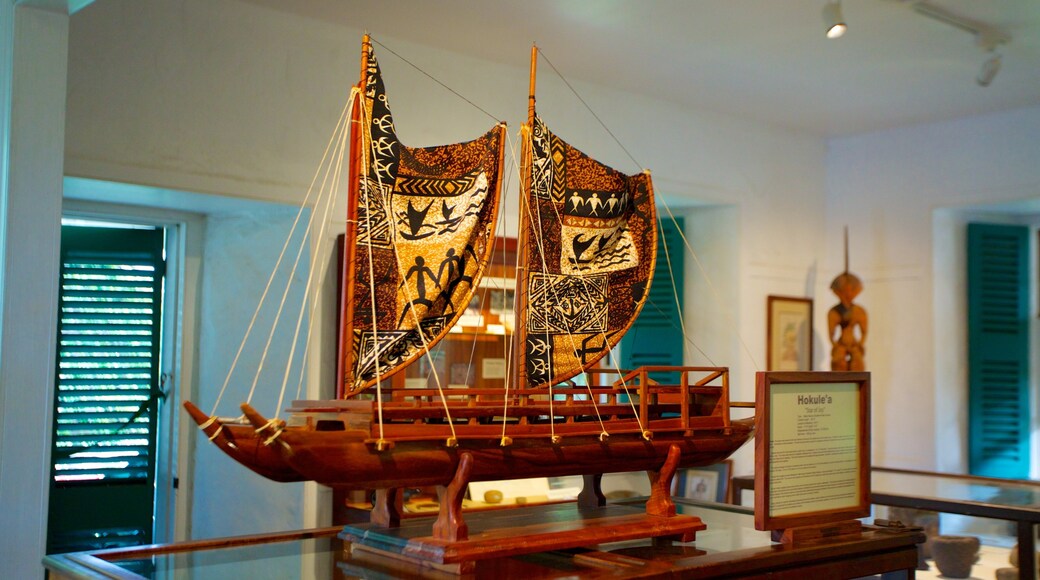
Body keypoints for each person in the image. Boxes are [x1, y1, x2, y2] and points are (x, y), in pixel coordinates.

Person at [827, 272, 868, 371]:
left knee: (857, 363)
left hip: (854, 344)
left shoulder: (859, 311)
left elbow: (864, 332)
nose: (848, 295)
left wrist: (859, 344)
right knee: (839, 362)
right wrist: (836, 345)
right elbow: (831, 333)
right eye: (844, 292)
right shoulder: (833, 312)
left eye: (850, 291)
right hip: (841, 343)